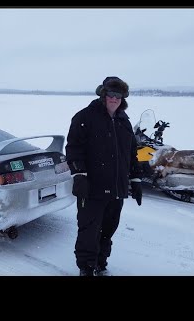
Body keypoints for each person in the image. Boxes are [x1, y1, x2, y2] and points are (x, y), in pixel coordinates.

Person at [66, 76, 142, 276]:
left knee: (108, 228)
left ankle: (100, 262)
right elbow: (73, 148)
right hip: (91, 187)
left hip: (117, 188)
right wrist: (79, 175)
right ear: (103, 94)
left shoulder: (124, 121)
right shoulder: (85, 117)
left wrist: (136, 179)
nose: (114, 99)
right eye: (111, 94)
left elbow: (131, 153)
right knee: (89, 229)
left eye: (119, 95)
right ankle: (86, 267)